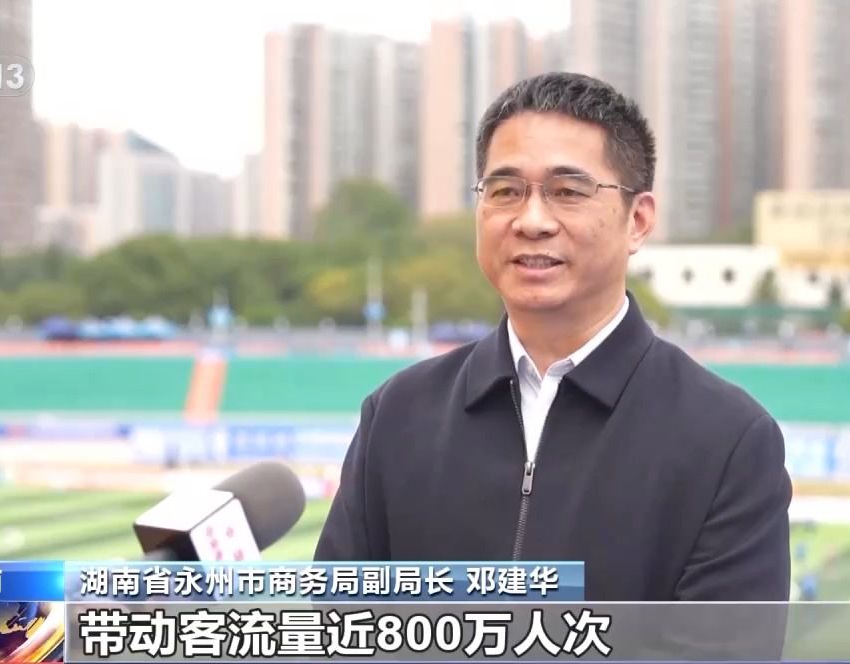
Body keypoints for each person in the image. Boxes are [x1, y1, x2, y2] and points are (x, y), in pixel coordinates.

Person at [314, 72, 792, 601]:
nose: (532, 220)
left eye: (567, 192)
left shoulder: (728, 441)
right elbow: (335, 626)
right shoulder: (397, 416)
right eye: (505, 191)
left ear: (637, 220)